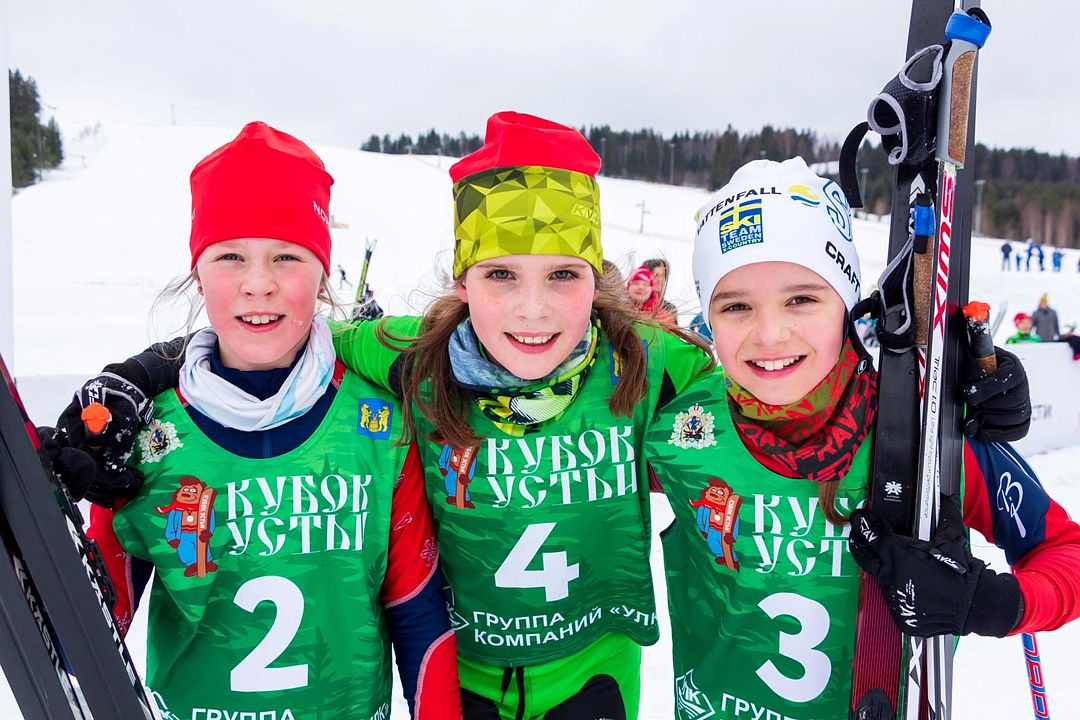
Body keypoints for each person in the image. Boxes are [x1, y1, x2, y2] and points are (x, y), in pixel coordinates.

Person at [55, 112, 716, 720]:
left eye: (563, 276)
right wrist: (136, 377)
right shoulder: (415, 361)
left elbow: (746, 384)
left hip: (596, 673)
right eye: (501, 275)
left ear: (596, 280)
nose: (533, 308)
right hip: (470, 678)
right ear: (463, 282)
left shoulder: (647, 363)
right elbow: (273, 339)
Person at [40, 122, 460, 720]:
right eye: (230, 256)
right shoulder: (148, 434)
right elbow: (87, 631)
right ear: (198, 273)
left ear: (322, 274)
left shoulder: (377, 425)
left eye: (287, 257)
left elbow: (416, 611)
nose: (258, 284)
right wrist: (46, 518)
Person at [645, 158, 1080, 719]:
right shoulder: (678, 430)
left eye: (801, 299)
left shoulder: (921, 435)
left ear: (849, 305)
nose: (770, 334)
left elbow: (1063, 552)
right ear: (708, 316)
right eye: (736, 306)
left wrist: (993, 604)